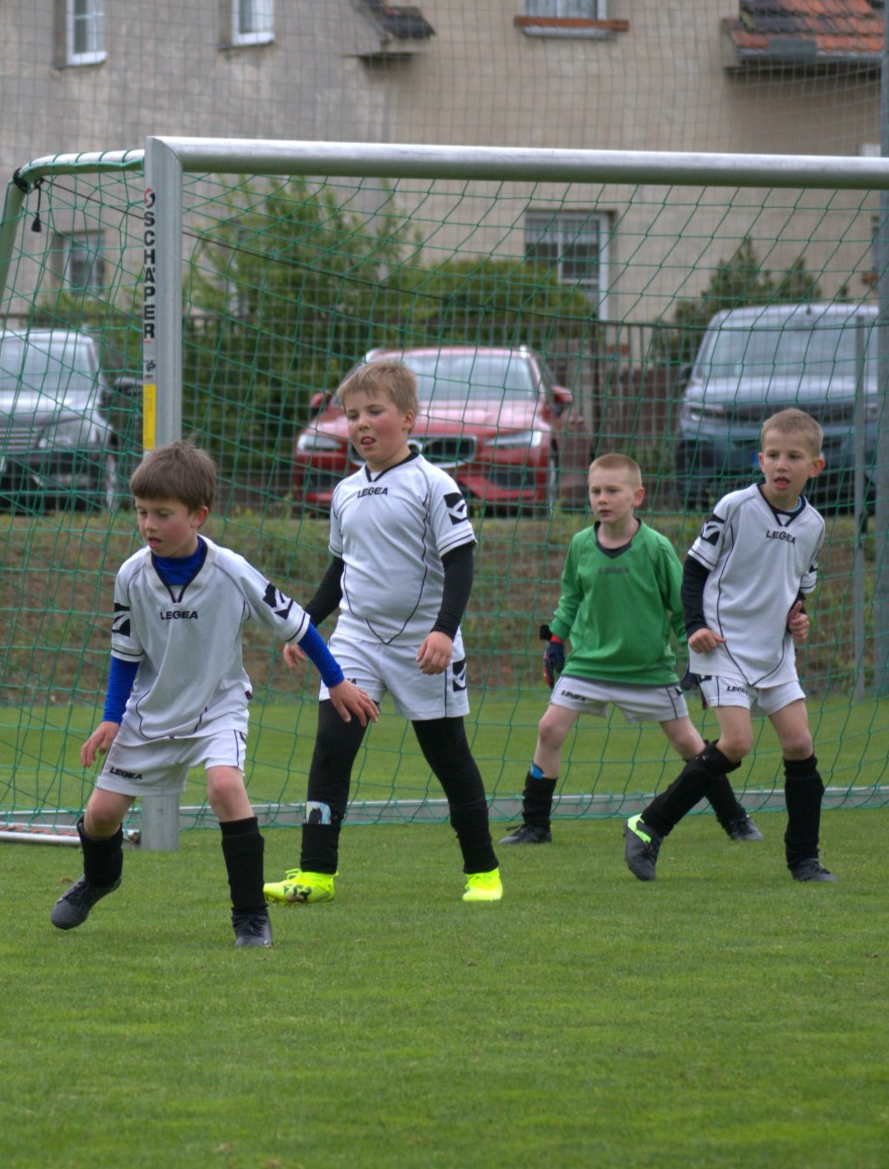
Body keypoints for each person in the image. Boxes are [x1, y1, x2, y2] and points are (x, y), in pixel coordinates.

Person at [50, 442, 378, 948]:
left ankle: (250, 917)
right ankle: (100, 878)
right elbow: (125, 654)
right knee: (101, 816)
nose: (149, 524)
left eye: (163, 514)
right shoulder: (131, 575)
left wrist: (336, 680)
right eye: (141, 512)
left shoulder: (232, 571)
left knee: (225, 787)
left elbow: (298, 625)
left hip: (217, 707)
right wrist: (112, 718)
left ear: (198, 516)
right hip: (151, 711)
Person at [263, 358, 504, 905]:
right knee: (332, 746)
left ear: (409, 419)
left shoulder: (435, 485)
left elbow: (461, 563)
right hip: (356, 642)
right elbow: (340, 570)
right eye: (352, 415)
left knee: (448, 757)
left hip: (425, 647)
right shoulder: (345, 492)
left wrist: (444, 631)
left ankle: (483, 872)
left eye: (375, 411)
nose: (362, 424)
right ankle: (316, 874)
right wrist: (306, 625)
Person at [499, 453, 765, 846]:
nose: (602, 499)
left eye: (612, 490)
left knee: (689, 744)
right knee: (549, 729)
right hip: (588, 664)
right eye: (595, 491)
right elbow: (570, 598)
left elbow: (682, 608)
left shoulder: (656, 547)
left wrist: (697, 657)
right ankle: (535, 825)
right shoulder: (580, 545)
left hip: (648, 670)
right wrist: (556, 639)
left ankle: (735, 819)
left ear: (637, 496)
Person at [624, 408, 834, 883]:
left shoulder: (814, 525)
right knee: (737, 742)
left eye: (793, 456)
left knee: (800, 744)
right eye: (773, 455)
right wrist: (695, 626)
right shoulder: (736, 507)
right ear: (760, 460)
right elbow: (694, 570)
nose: (781, 464)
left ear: (815, 466)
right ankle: (649, 825)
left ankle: (804, 860)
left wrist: (798, 619)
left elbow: (798, 591)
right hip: (721, 644)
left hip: (774, 653)